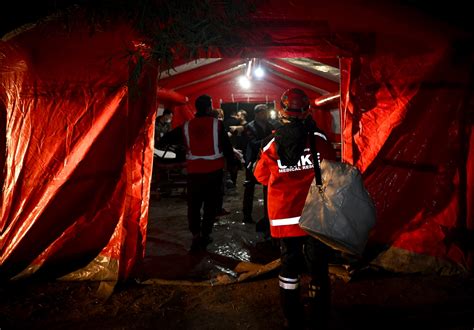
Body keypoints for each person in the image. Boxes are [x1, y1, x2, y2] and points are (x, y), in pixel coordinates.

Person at [254, 88, 336, 329]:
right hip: (314, 215)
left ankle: (291, 315)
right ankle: (319, 312)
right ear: (307, 110)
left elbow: (261, 177)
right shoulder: (319, 140)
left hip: (283, 218)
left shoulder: (271, 143)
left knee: (289, 265)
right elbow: (332, 170)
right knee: (317, 264)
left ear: (281, 110)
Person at [161, 95, 237, 252]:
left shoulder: (187, 126)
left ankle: (195, 235)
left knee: (193, 206)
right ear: (209, 108)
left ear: (196, 108)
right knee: (210, 205)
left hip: (194, 173)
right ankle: (205, 234)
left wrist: (184, 148)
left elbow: (165, 140)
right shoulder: (217, 125)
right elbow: (227, 147)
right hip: (214, 173)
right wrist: (232, 164)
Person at [242, 104, 274, 224]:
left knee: (268, 188)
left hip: (267, 161)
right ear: (256, 114)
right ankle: (246, 215)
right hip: (253, 161)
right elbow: (254, 143)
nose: (265, 114)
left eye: (266, 112)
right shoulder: (249, 127)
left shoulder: (270, 126)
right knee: (249, 188)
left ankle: (268, 215)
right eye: (262, 112)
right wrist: (271, 138)